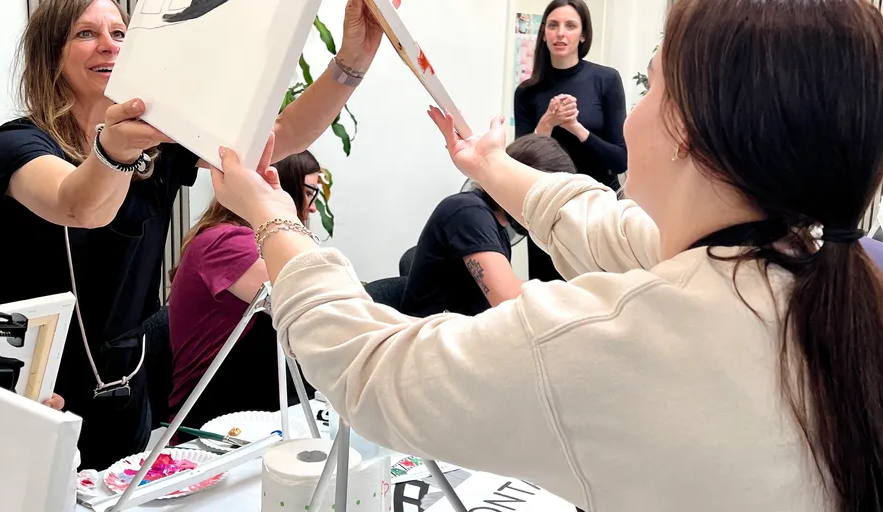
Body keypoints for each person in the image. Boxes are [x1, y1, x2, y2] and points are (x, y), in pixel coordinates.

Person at [211, 0, 883, 510]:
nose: (630, 115)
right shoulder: (815, 269)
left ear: (686, 129)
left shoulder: (607, 339)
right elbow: (599, 222)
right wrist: (490, 164)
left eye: (649, 87)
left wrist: (272, 219)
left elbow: (371, 370)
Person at [0, 0, 382, 470]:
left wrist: (352, 62)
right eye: (86, 34)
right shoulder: (17, 145)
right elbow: (79, 205)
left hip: (124, 379)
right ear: (51, 53)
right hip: (26, 373)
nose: (109, 45)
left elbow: (282, 133)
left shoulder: (159, 145)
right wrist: (114, 149)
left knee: (124, 493)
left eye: (120, 33)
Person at [166, 151, 322, 432]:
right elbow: (310, 299)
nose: (311, 209)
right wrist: (288, 220)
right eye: (309, 193)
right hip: (214, 418)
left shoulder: (235, 237)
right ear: (285, 188)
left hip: (251, 403)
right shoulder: (227, 242)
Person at [399, 135, 575, 317]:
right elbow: (509, 299)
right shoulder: (468, 212)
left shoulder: (498, 226)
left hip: (463, 327)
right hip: (430, 332)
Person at [514, 0, 628, 283]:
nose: (561, 33)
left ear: (583, 35)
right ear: (543, 33)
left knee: (596, 292)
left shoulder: (606, 79)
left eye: (570, 26)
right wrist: (547, 123)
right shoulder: (526, 92)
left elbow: (620, 159)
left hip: (596, 209)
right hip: (546, 210)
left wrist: (576, 128)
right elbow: (520, 164)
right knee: (547, 295)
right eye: (553, 25)